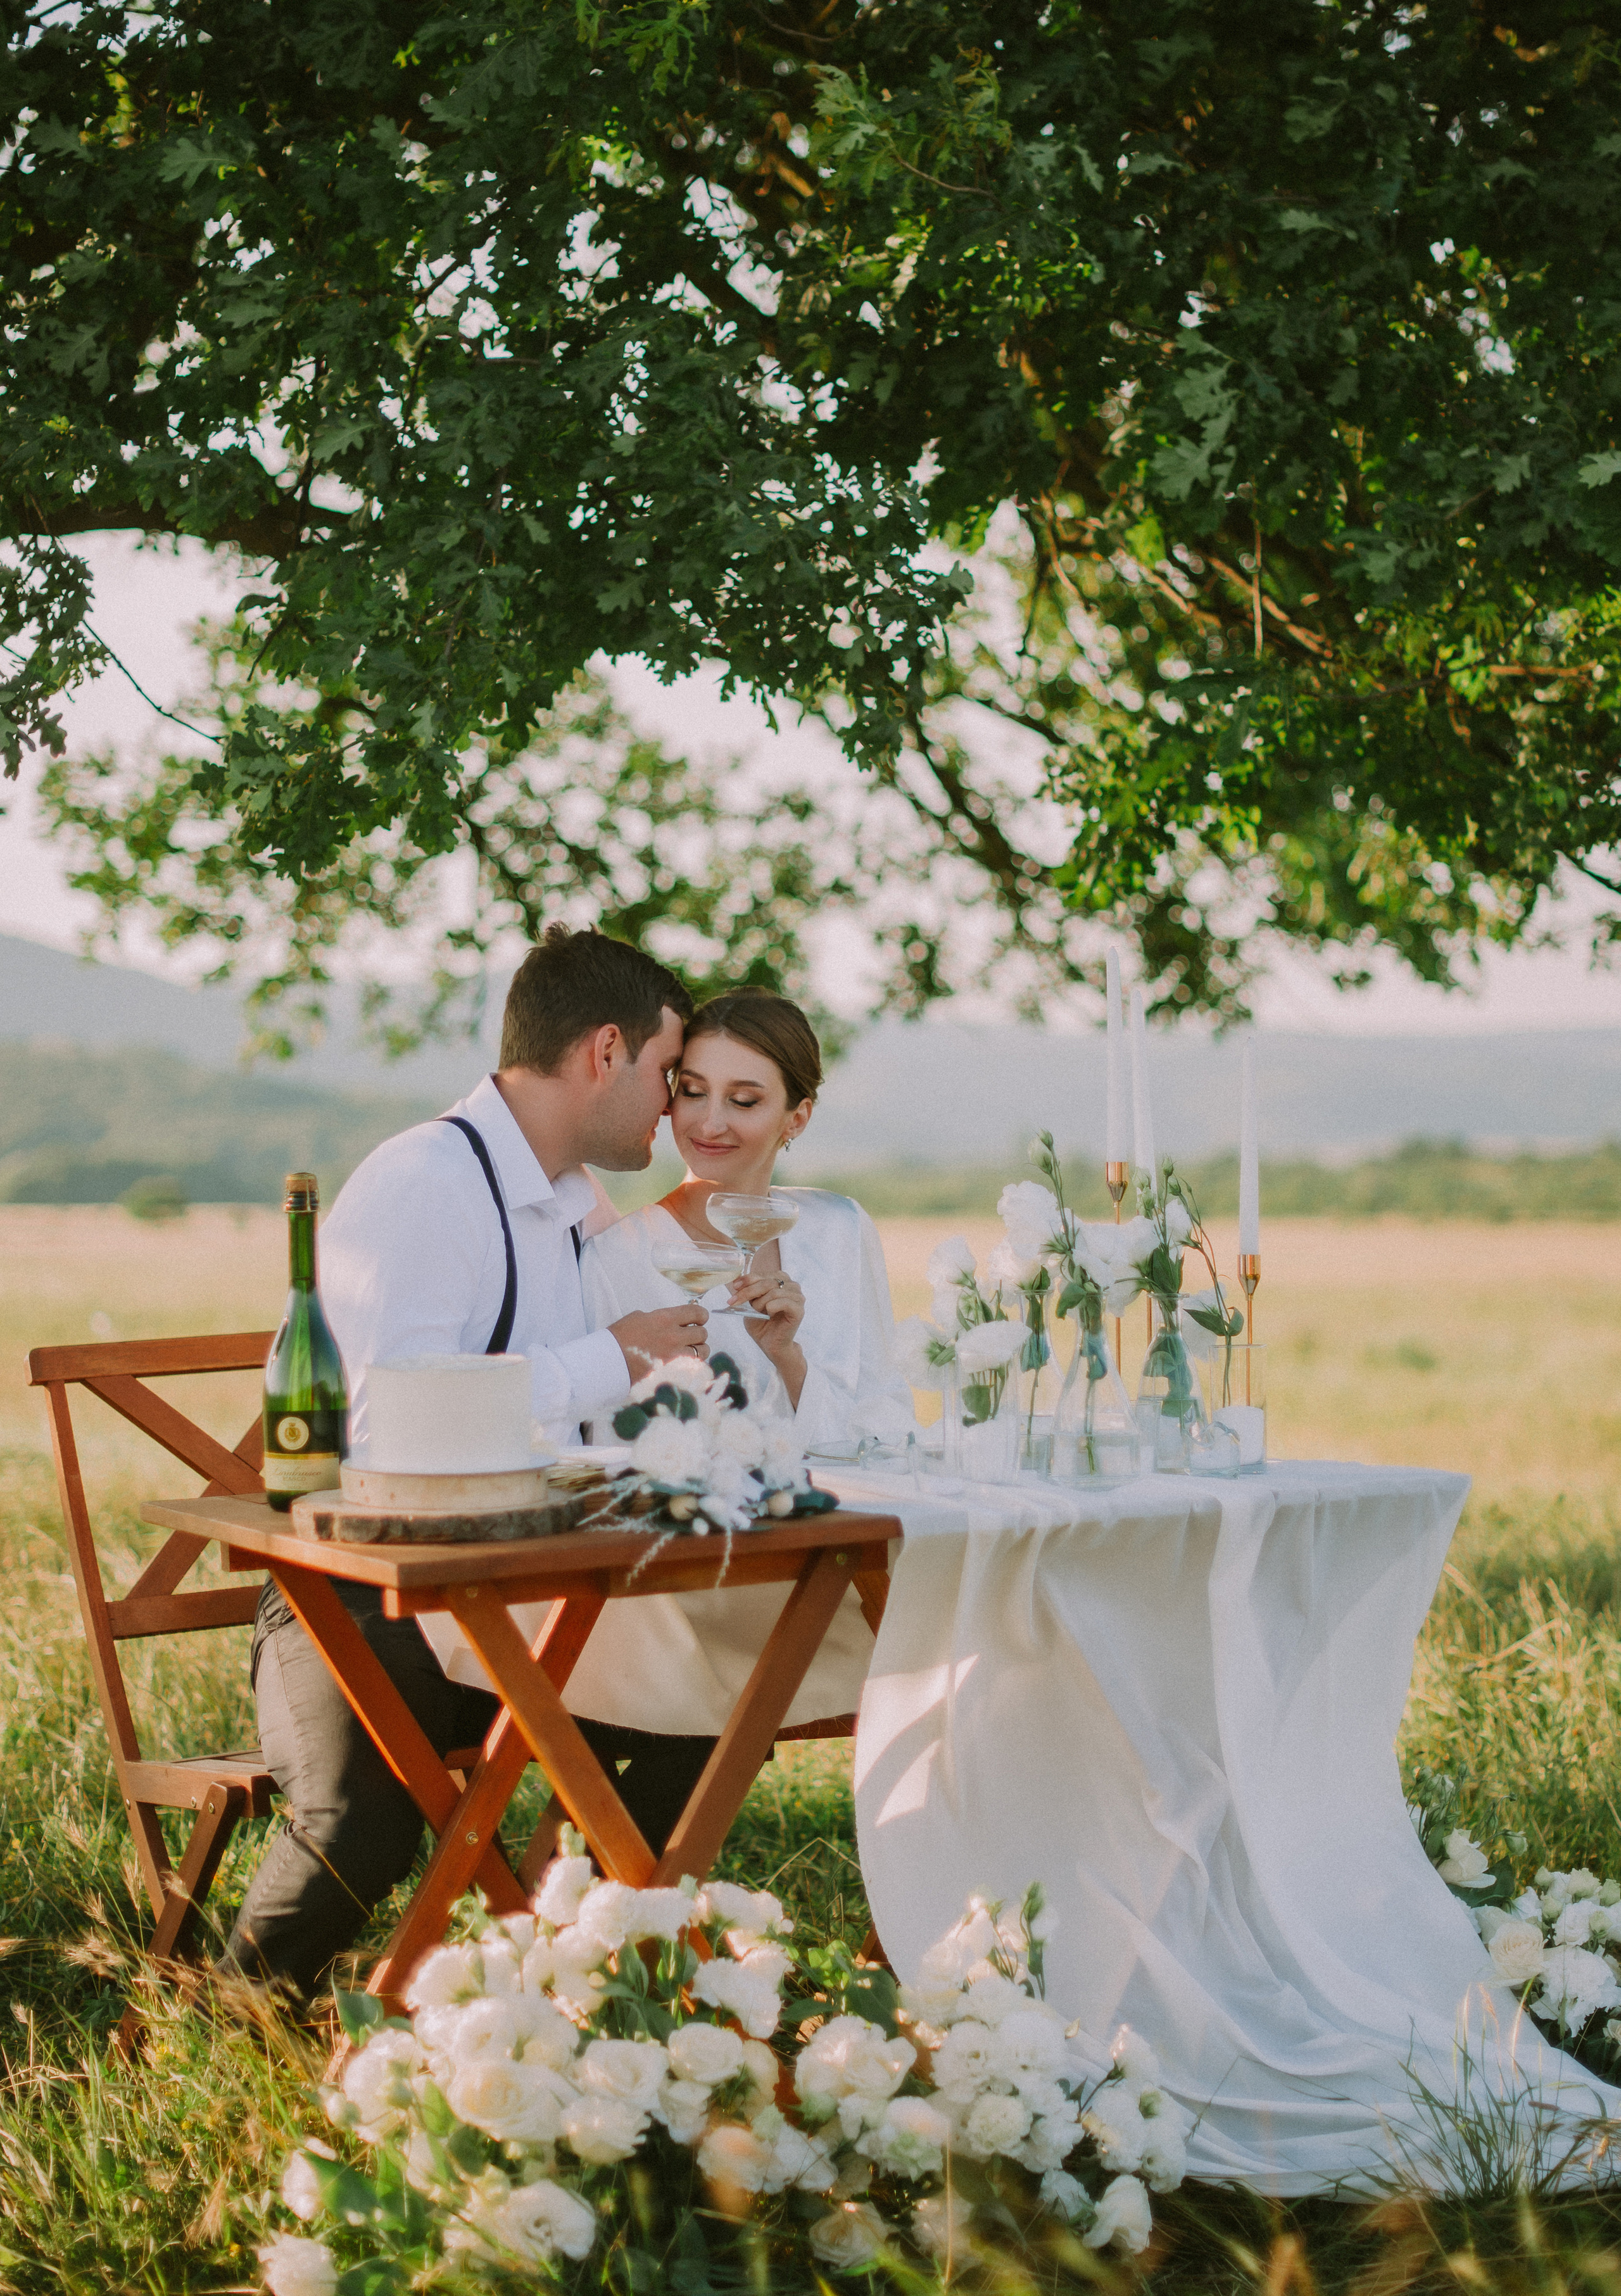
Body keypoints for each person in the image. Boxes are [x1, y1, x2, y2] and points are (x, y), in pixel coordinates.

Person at [223, 927, 713, 1998]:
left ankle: (549, 1978)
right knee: (371, 1817)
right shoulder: (427, 1183)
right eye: (670, 1077)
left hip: (510, 1599)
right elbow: (400, 1419)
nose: (675, 1110)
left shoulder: (573, 1202)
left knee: (708, 1706)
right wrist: (615, 1356)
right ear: (604, 1051)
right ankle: (229, 2017)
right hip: (351, 1602)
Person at [560, 989, 916, 1739]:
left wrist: (788, 1361)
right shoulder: (616, 1259)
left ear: (798, 1116)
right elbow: (604, 1457)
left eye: (744, 1099)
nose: (709, 1121)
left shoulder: (841, 1230)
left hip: (844, 1561)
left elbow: (890, 1424)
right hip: (691, 1581)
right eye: (691, 1092)